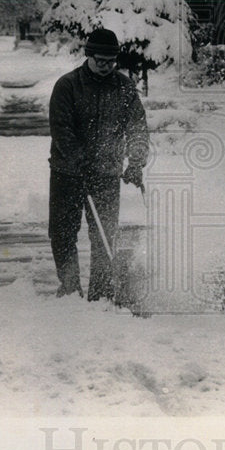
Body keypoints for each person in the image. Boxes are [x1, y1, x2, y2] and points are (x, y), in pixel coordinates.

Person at [47, 29, 149, 301]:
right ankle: (69, 289)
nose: (105, 67)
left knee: (104, 234)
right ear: (88, 56)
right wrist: (78, 159)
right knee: (63, 233)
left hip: (106, 173)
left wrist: (136, 162)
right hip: (68, 173)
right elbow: (61, 129)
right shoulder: (67, 86)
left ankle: (101, 293)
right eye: (100, 60)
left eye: (110, 61)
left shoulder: (124, 88)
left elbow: (137, 127)